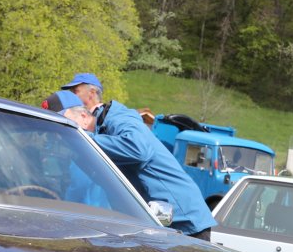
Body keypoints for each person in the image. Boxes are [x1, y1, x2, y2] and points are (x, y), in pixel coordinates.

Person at [50, 77, 217, 239]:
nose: (64, 134)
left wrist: (83, 139)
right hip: (155, 222)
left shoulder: (118, 118)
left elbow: (139, 150)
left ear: (83, 116)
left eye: (67, 125)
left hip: (184, 220)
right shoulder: (99, 134)